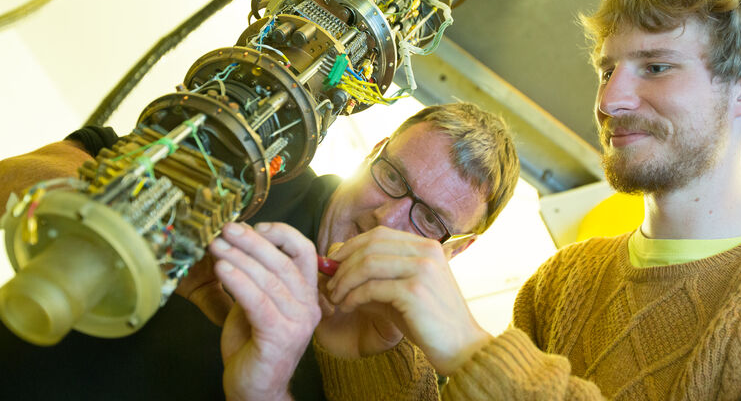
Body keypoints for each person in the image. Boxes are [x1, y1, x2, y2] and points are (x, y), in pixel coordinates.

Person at [229, 0, 741, 399]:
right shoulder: (561, 284)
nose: (610, 100)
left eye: (654, 67)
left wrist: (471, 349)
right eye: (607, 70)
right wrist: (364, 354)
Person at [0, 102, 520, 400]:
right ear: (372, 152)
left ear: (456, 250)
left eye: (428, 220)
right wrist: (122, 215)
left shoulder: (398, 379)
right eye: (391, 177)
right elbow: (15, 177)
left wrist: (266, 388)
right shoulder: (260, 169)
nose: (383, 218)